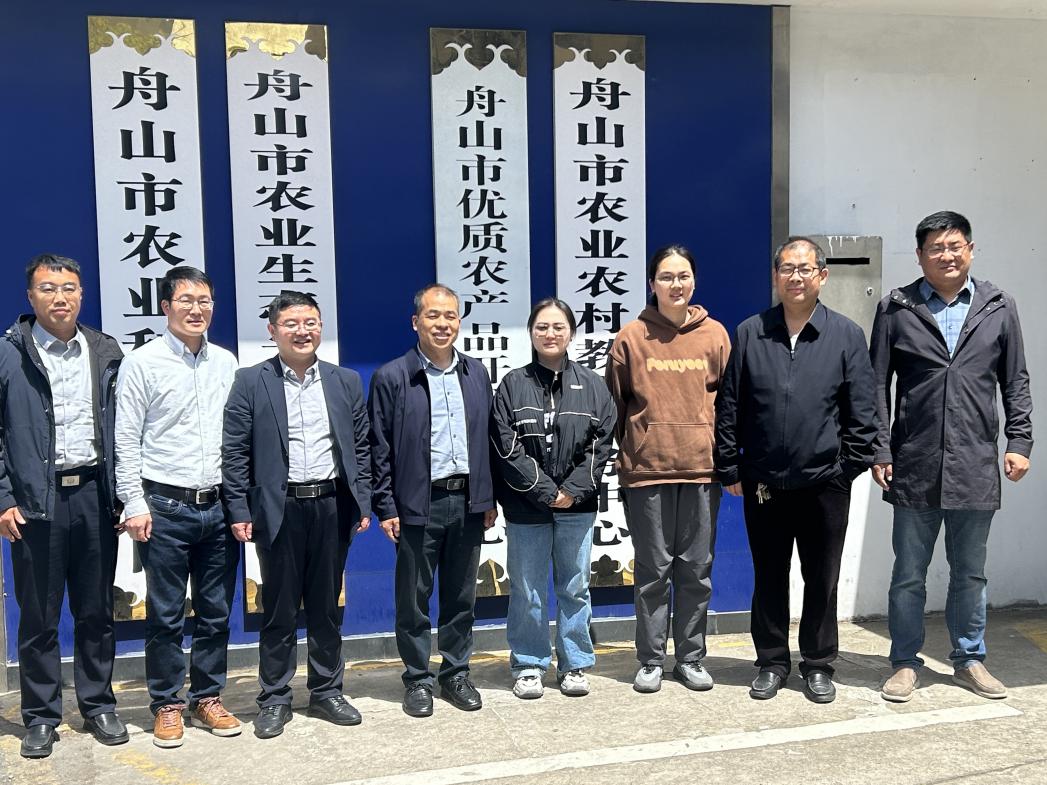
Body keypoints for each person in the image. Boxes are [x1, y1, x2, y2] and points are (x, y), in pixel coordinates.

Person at [871, 211, 1032, 703]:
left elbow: (1015, 380)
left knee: (970, 573)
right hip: (914, 461)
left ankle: (969, 659)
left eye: (954, 245)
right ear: (920, 256)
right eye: (936, 248)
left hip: (974, 463)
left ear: (971, 250)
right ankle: (904, 662)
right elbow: (876, 385)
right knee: (908, 574)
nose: (946, 255)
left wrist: (1019, 442)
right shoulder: (896, 308)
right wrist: (880, 448)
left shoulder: (998, 306)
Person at [714, 236, 877, 704]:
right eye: (787, 269)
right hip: (764, 482)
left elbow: (862, 411)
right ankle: (771, 662)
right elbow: (731, 404)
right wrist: (730, 466)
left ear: (822, 275)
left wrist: (845, 471)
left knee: (822, 578)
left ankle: (819, 664)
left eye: (805, 269)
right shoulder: (751, 332)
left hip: (825, 484)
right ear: (775, 276)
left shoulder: (845, 334)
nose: (796, 277)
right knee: (768, 575)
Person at [223, 291, 372, 738]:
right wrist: (239, 507)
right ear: (272, 331)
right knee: (279, 608)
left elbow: (360, 446)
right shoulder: (251, 381)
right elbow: (235, 451)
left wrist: (362, 500)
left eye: (310, 322)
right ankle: (274, 697)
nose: (302, 331)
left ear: (321, 327)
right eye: (291, 323)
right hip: (279, 508)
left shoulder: (345, 381)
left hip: (332, 504)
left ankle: (327, 691)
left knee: (326, 606)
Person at [0, 254, 126, 758]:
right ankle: (40, 716)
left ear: (81, 294)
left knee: (97, 611)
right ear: (30, 296)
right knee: (39, 615)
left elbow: (123, 426)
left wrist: (122, 495)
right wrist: (4, 497)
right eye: (48, 288)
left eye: (69, 288)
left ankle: (98, 705)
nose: (60, 298)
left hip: (94, 495)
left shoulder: (105, 349)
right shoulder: (9, 353)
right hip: (37, 502)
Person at [114, 265, 241, 747]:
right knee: (166, 615)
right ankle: (167, 704)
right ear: (165, 306)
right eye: (186, 300)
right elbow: (126, 438)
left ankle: (207, 697)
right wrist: (134, 502)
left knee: (216, 612)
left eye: (204, 300)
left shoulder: (225, 362)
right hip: (164, 507)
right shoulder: (142, 362)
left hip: (219, 507)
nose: (196, 309)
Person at [368, 283, 497, 717]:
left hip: (467, 502)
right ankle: (418, 679)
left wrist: (487, 498)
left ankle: (456, 673)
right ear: (416, 322)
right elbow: (379, 447)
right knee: (413, 599)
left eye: (450, 315)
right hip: (416, 505)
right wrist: (386, 506)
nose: (443, 324)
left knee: (461, 597)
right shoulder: (392, 376)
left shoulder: (475, 373)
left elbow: (488, 440)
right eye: (433, 315)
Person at [606, 245, 731, 694]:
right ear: (651, 283)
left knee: (696, 570)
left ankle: (691, 657)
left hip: (701, 470)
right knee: (653, 571)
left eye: (683, 276)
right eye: (666, 277)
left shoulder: (715, 335)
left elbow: (728, 404)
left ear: (693, 281)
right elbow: (616, 406)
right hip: (647, 472)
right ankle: (651, 659)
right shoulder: (631, 338)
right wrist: (634, 450)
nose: (675, 285)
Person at [491, 298, 616, 699]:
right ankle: (529, 664)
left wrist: (571, 492)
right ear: (531, 333)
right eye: (542, 327)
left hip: (577, 508)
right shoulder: (513, 384)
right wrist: (547, 492)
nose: (550, 334)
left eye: (558, 327)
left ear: (571, 333)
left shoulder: (593, 385)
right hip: (527, 507)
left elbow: (601, 443)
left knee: (574, 587)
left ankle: (574, 663)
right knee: (527, 590)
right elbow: (506, 446)